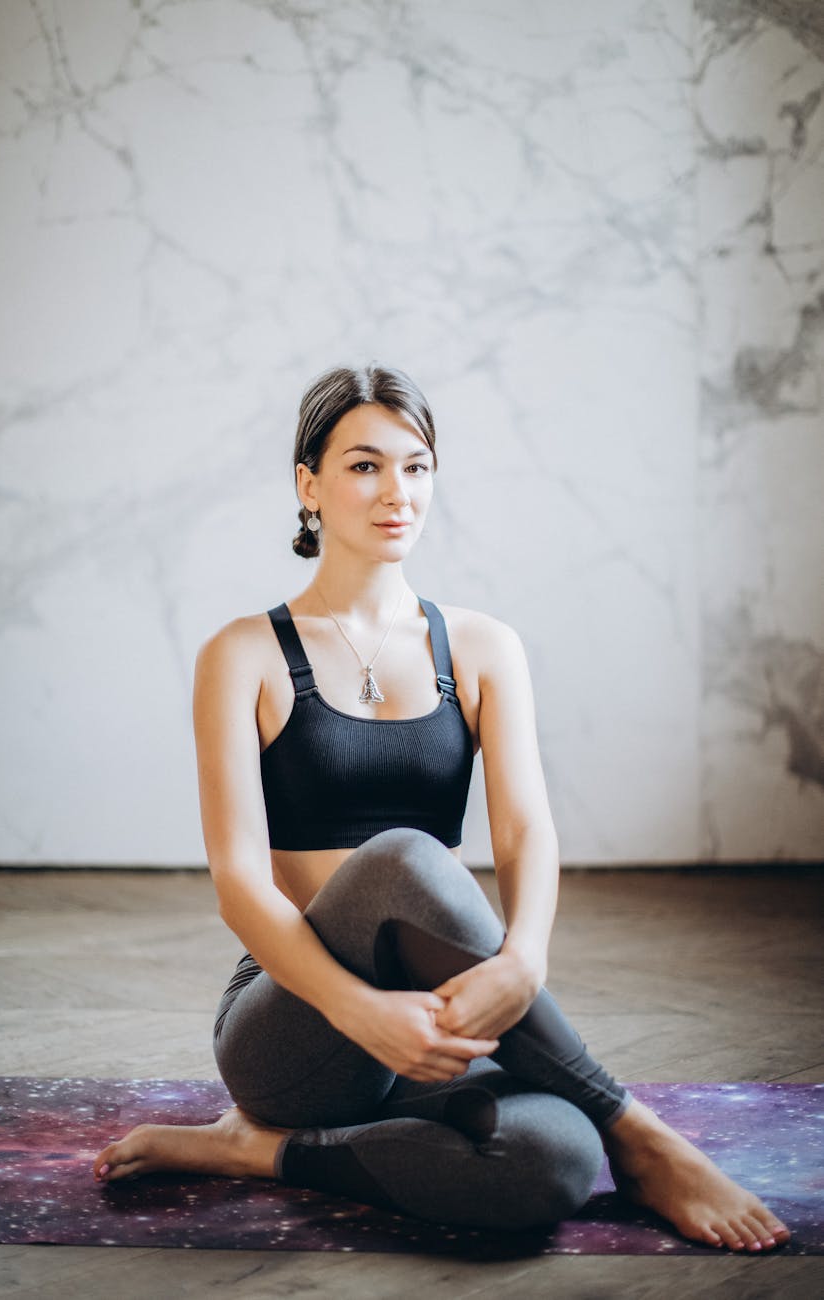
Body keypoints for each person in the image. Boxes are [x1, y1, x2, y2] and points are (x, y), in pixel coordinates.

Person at [94, 365, 789, 1251]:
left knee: (555, 1160)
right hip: (297, 1029)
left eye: (416, 466)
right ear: (307, 484)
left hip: (433, 1022)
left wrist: (525, 960)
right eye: (363, 466)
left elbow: (525, 829)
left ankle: (257, 1154)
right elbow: (238, 883)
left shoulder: (483, 647)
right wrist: (356, 1008)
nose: (397, 492)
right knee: (405, 859)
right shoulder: (243, 655)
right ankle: (641, 1132)